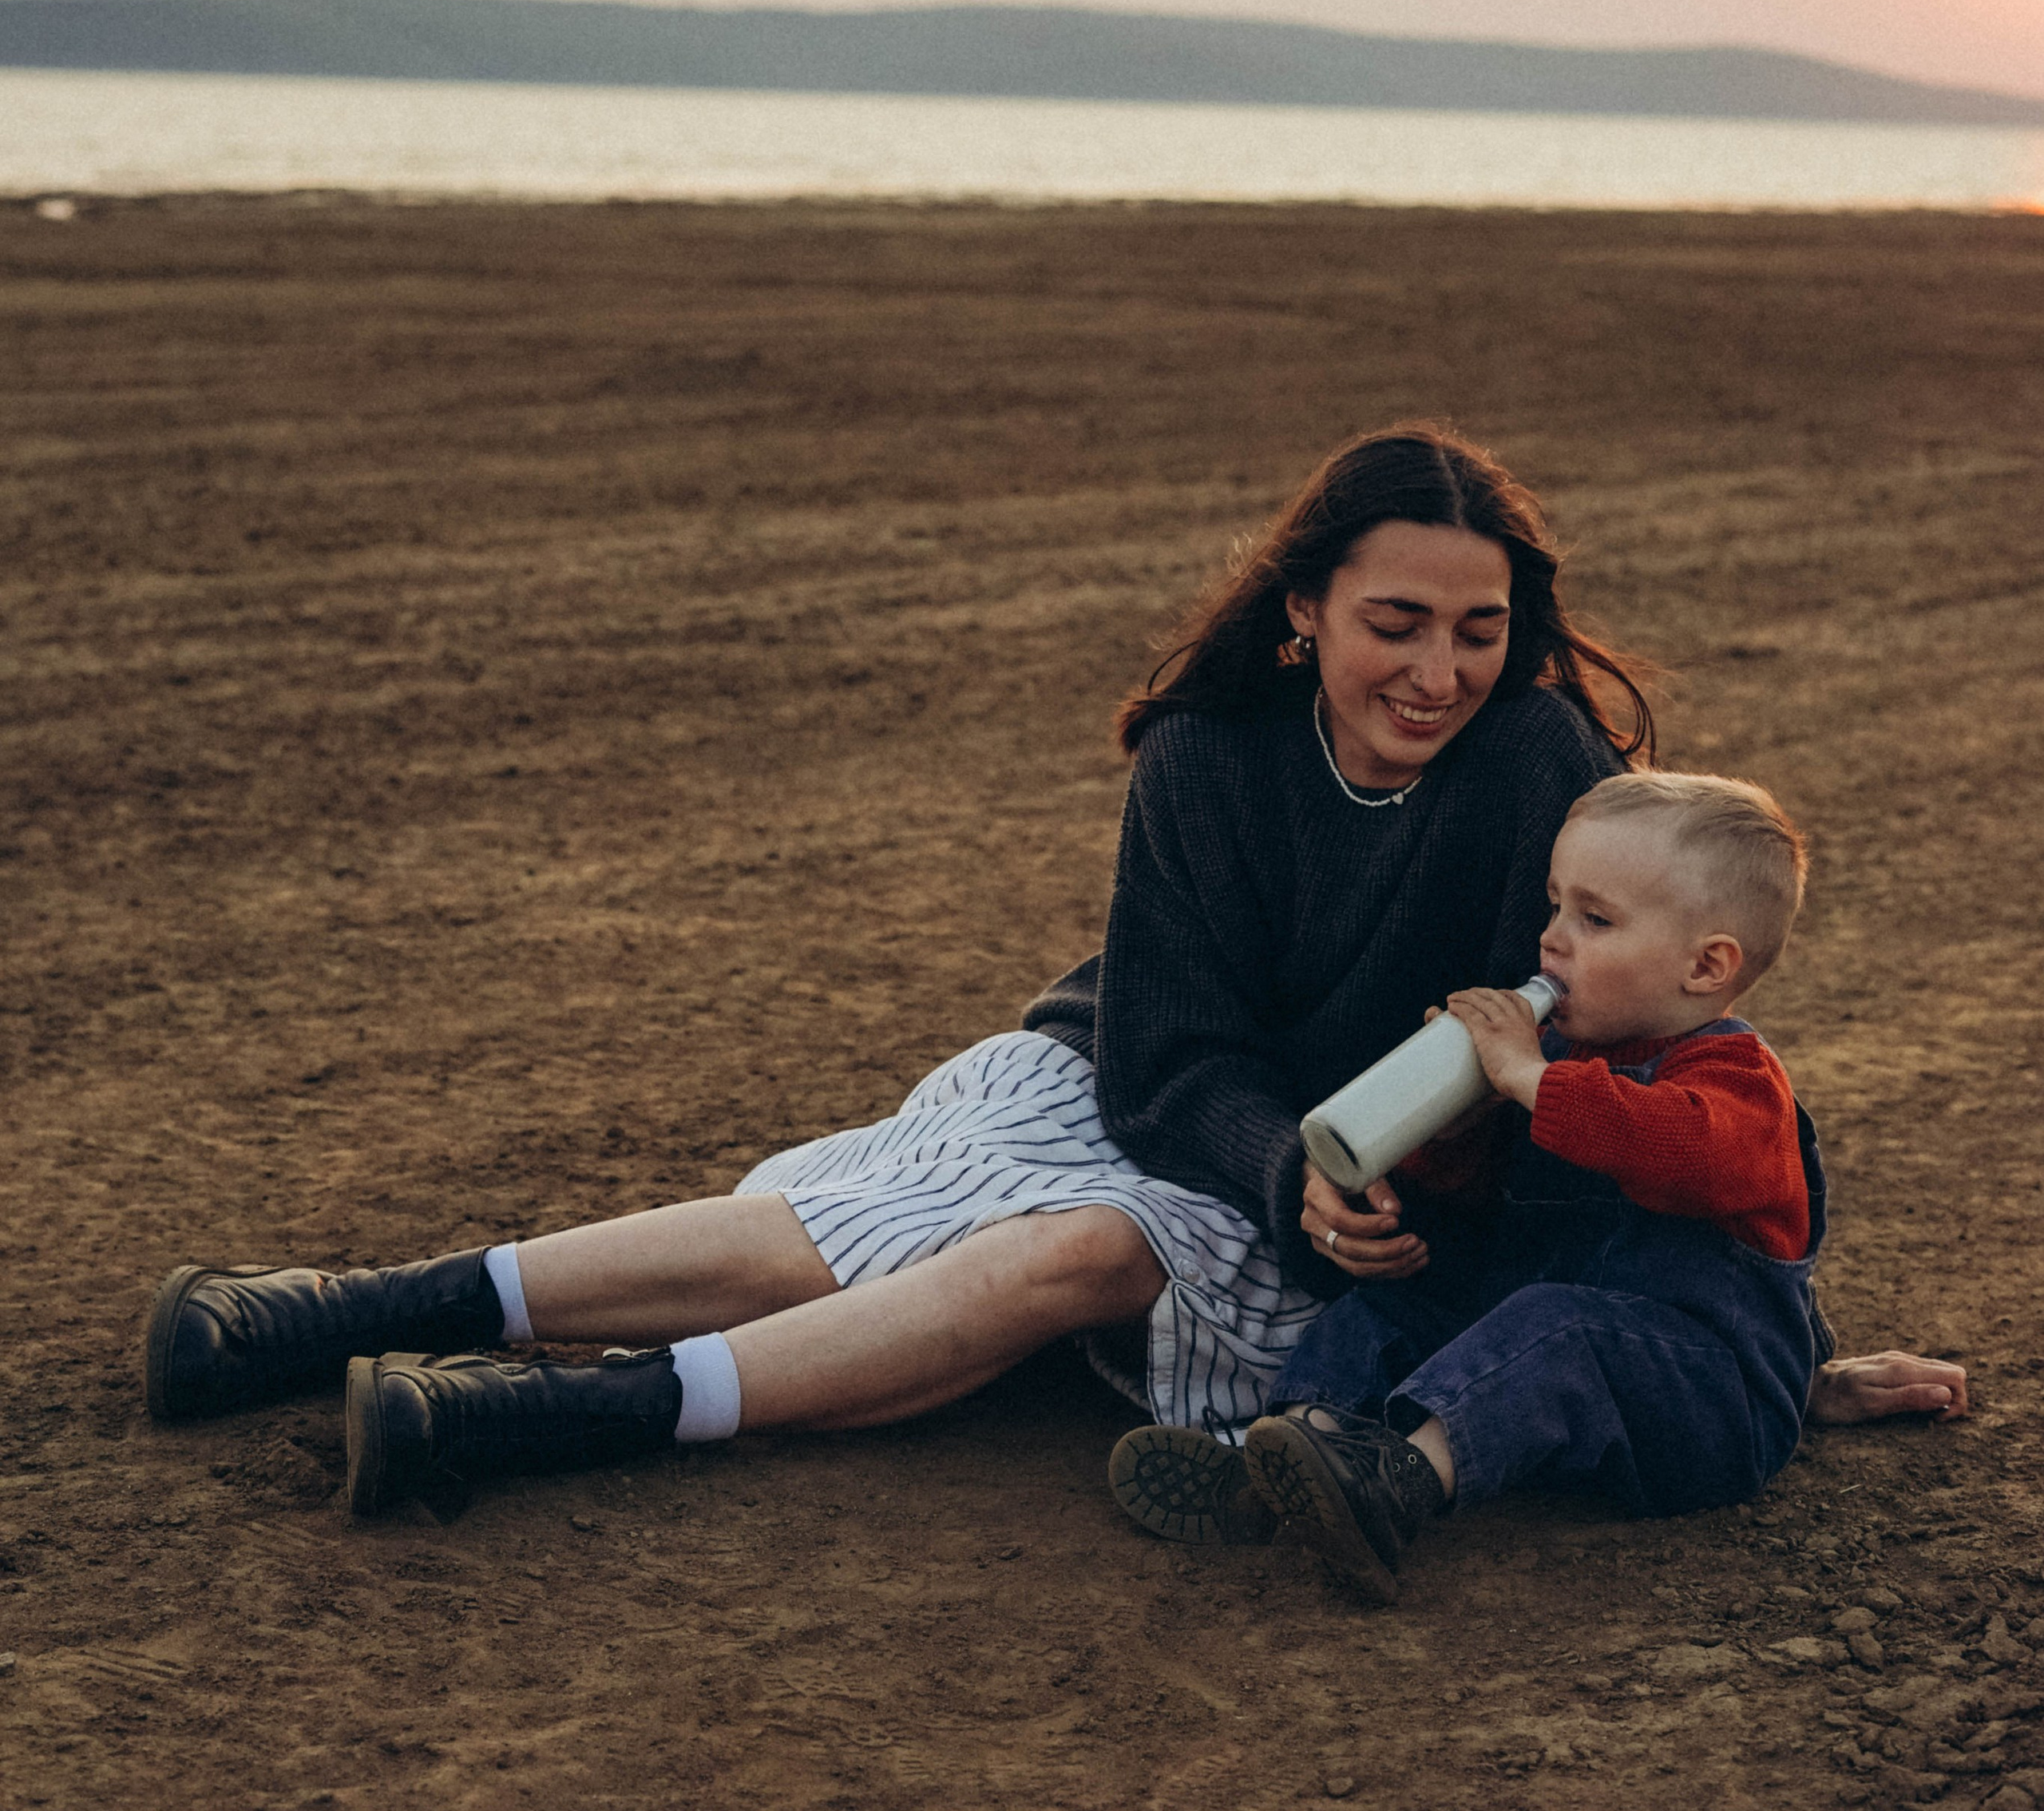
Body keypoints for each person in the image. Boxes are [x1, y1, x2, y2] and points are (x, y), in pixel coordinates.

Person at [142, 423, 1959, 1522]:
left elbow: (1641, 1047)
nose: (1437, 666)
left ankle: (551, 1418)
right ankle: (341, 1307)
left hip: (1349, 1184)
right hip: (1164, 1090)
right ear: (1302, 607)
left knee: (1060, 1252)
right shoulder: (1208, 756)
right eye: (1394, 621)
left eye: (1477, 629)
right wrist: (1270, 1166)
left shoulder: (1538, 770)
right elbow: (1161, 1054)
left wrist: (1753, 1339)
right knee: (849, 1218)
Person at [1110, 771, 1965, 1598]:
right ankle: (1294, 1458)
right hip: (1572, 1358)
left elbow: (1675, 1150)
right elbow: (1501, 1198)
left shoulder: (1738, 1084)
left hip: (1708, 1405)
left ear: (1705, 967)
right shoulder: (1560, 1062)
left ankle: (1396, 1483)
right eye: (1554, 905)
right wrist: (1445, 1131)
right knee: (1393, 1310)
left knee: (1553, 1326)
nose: (1553, 939)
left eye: (1594, 919)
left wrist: (1524, 1076)